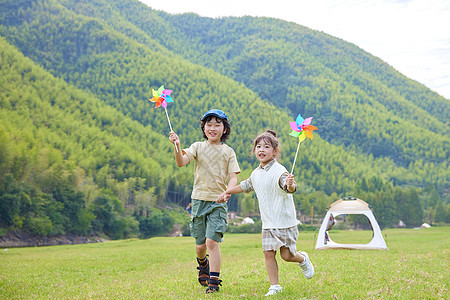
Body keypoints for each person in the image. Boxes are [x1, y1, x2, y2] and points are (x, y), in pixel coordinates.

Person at [217, 130, 314, 296]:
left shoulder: (280, 171)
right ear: (254, 150)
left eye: (266, 147)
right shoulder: (256, 173)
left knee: (287, 256)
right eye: (258, 146)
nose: (261, 150)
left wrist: (290, 184)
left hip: (284, 222)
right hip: (268, 223)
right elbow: (245, 185)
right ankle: (275, 286)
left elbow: (289, 187)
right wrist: (228, 192)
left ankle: (303, 259)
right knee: (268, 253)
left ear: (275, 151)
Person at [169, 109, 241, 294]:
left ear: (225, 129)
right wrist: (177, 145)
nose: (213, 128)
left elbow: (233, 177)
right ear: (204, 128)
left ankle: (214, 283)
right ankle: (203, 264)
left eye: (218, 124)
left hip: (218, 202)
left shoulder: (228, 151)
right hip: (198, 202)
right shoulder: (197, 147)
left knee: (212, 242)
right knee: (200, 246)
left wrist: (228, 191)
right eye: (209, 124)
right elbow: (181, 161)